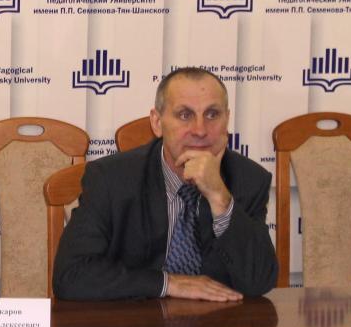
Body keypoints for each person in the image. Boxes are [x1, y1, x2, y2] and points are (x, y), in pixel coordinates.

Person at [53, 66, 277, 301]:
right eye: (185, 115)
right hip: (136, 319)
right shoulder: (111, 179)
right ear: (157, 122)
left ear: (227, 120)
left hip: (218, 321)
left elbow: (259, 281)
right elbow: (70, 276)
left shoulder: (248, 179)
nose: (200, 130)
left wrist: (220, 198)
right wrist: (168, 283)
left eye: (212, 114)